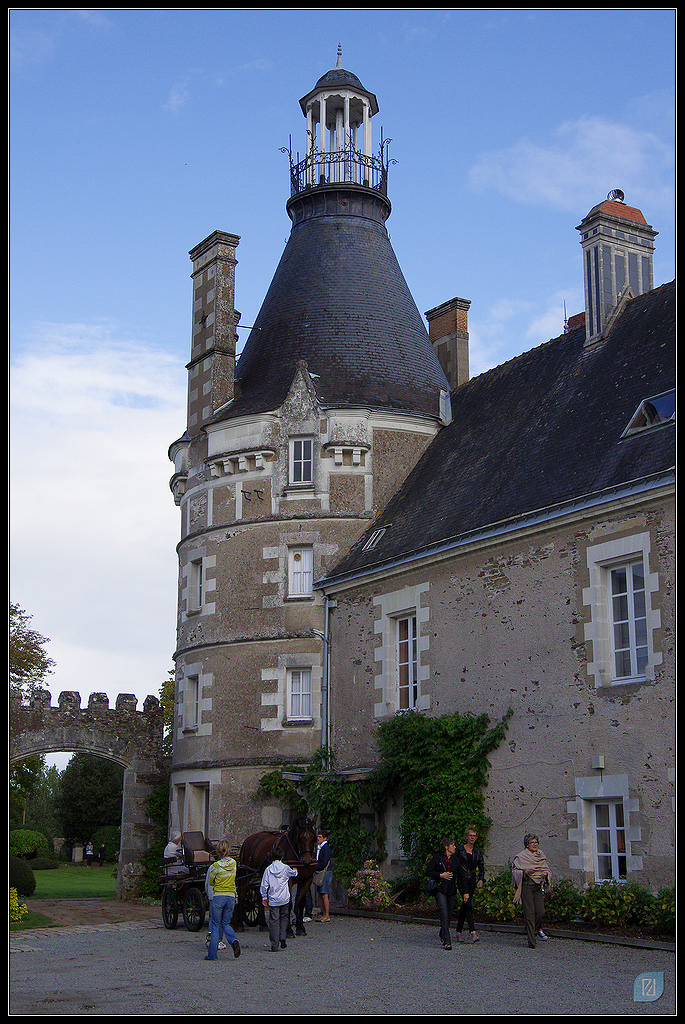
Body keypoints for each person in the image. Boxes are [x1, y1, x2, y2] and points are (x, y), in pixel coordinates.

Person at [513, 833, 552, 949]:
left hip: (538, 886)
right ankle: (531, 941)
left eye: (536, 842)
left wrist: (546, 874)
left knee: (540, 912)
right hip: (527, 886)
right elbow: (515, 872)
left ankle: (537, 928)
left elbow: (547, 869)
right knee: (529, 914)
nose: (534, 845)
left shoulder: (541, 855)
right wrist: (525, 872)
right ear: (527, 844)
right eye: (532, 843)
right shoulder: (521, 857)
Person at [204, 839, 241, 961]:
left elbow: (211, 881)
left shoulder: (215, 866)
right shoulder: (234, 863)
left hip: (219, 896)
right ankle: (233, 940)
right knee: (226, 923)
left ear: (217, 852)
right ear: (229, 850)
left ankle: (212, 955)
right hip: (230, 896)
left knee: (215, 925)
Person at [454, 826, 485, 943]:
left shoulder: (477, 851)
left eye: (474, 836)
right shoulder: (459, 850)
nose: (472, 838)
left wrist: (481, 879)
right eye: (470, 835)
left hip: (472, 880)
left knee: (465, 905)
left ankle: (458, 931)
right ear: (466, 837)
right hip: (462, 881)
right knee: (468, 905)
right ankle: (473, 931)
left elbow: (481, 867)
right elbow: (456, 866)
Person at [260, 855, 298, 951]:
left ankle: (274, 944)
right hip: (285, 897)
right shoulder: (285, 868)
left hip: (273, 899)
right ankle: (283, 936)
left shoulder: (268, 869)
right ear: (281, 857)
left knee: (274, 921)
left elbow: (264, 885)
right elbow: (294, 874)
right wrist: (295, 870)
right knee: (285, 917)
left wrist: (264, 897)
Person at [426, 837, 458, 949]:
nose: (455, 847)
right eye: (453, 845)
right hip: (440, 889)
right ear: (446, 847)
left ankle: (442, 932)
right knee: (443, 914)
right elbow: (428, 871)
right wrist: (440, 875)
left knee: (449, 914)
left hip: (451, 889)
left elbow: (460, 875)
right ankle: (447, 941)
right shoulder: (437, 858)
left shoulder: (456, 859)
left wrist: (465, 892)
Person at [313, 830, 332, 922]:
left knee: (324, 894)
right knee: (321, 894)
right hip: (321, 871)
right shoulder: (320, 847)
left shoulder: (326, 848)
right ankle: (324, 913)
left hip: (325, 872)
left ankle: (327, 915)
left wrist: (315, 867)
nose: (318, 838)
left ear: (325, 838)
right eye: (318, 836)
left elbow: (324, 862)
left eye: (320, 837)